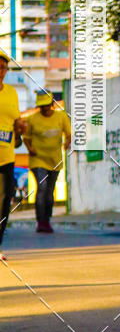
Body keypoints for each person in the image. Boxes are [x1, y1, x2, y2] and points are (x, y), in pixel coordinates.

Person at [23, 92, 71, 233]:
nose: (44, 109)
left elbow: (69, 134)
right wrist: (30, 148)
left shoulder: (61, 116)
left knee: (50, 192)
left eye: (46, 106)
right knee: (42, 187)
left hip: (54, 160)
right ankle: (40, 221)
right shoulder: (32, 119)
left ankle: (47, 219)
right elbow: (26, 138)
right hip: (38, 159)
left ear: (52, 105)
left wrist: (67, 143)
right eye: (41, 106)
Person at [0, 53, 24, 260]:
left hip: (6, 155)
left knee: (4, 201)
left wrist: (20, 127)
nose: (0, 71)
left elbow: (16, 121)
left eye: (2, 67)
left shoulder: (12, 93)